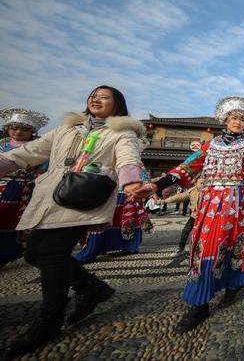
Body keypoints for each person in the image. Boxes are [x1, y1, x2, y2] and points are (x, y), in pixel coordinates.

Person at [0, 86, 144, 358]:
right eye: (93, 95)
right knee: (33, 254)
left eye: (104, 96)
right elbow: (27, 153)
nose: (96, 99)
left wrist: (132, 181)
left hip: (83, 200)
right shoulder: (66, 129)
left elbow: (128, 159)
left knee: (52, 254)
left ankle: (49, 319)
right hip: (50, 199)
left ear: (118, 105)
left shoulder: (122, 133)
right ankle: (89, 287)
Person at [132, 96, 244, 333]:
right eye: (234, 118)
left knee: (235, 244)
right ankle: (199, 303)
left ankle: (234, 285)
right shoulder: (209, 146)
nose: (238, 122)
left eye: (242, 119)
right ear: (225, 119)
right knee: (206, 248)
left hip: (237, 203)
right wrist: (156, 185)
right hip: (210, 204)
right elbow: (185, 167)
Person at [75, 141, 151, 263]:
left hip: (127, 195)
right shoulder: (109, 155)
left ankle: (128, 245)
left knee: (126, 221)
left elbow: (145, 178)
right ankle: (94, 248)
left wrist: (145, 188)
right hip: (109, 191)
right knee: (102, 219)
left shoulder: (137, 162)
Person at [0, 109, 49, 267]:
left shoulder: (38, 147)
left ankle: (11, 249)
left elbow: (44, 167)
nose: (19, 132)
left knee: (14, 219)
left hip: (25, 188)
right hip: (2, 185)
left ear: (32, 131)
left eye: (24, 129)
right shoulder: (2, 145)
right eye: (14, 128)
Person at [162, 177, 204, 256]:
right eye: (201, 183)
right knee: (185, 231)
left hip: (205, 218)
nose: (203, 185)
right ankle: (180, 249)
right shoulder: (192, 191)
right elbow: (180, 196)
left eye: (204, 183)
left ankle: (202, 250)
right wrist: (165, 201)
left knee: (202, 234)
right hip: (194, 216)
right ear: (196, 184)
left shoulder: (209, 192)